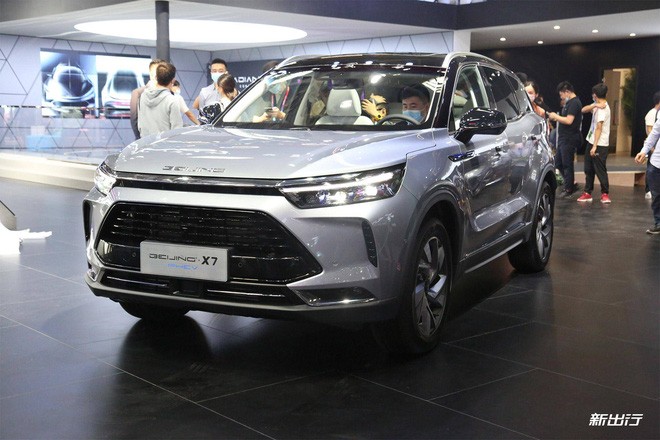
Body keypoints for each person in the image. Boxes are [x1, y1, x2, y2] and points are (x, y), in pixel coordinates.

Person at [577, 83, 611, 203]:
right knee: (588, 168)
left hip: (600, 144)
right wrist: (595, 104)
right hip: (591, 140)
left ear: (595, 95)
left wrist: (595, 146)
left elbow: (599, 128)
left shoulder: (603, 109)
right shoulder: (597, 105)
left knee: (600, 169)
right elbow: (583, 110)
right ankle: (587, 192)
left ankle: (605, 193)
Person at [548, 81, 583, 197]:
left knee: (567, 164)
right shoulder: (569, 103)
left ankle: (569, 189)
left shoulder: (574, 103)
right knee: (558, 163)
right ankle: (571, 183)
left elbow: (569, 120)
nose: (561, 97)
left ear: (567, 92)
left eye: (561, 94)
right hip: (563, 138)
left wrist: (556, 116)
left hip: (569, 138)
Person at [137, 61, 183, 137]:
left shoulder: (143, 96)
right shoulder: (172, 100)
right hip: (164, 143)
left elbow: (140, 125)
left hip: (146, 142)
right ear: (173, 80)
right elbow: (177, 130)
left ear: (156, 77)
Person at [634, 117, 660, 234]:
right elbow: (654, 134)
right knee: (657, 196)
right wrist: (644, 151)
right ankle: (658, 223)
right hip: (656, 163)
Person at [129, 58, 165, 140]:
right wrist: (141, 139)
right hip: (146, 140)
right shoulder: (137, 93)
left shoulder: (168, 93)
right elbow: (134, 119)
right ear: (151, 74)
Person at [643, 91, 660, 199]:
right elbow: (650, 131)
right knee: (651, 169)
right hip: (653, 148)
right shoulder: (652, 113)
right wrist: (652, 148)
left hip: (656, 147)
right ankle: (648, 189)